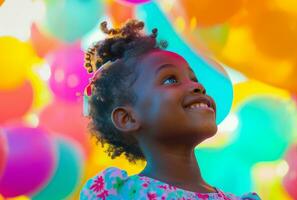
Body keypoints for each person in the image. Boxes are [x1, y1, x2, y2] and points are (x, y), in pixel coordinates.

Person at [80, 19, 260, 200]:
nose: (198, 87)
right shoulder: (121, 194)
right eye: (170, 80)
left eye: (194, 78)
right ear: (128, 119)